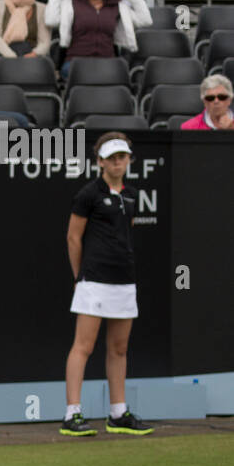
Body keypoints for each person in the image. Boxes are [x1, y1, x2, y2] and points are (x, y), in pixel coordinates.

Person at [61, 132, 153, 436]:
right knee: (83, 346)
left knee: (120, 348)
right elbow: (74, 237)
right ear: (100, 162)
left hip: (124, 279)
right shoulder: (88, 194)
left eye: (122, 157)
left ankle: (117, 412)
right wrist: (79, 276)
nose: (118, 162)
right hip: (94, 279)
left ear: (128, 160)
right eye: (112, 158)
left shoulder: (132, 194)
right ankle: (72, 413)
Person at [46, 0, 150, 78]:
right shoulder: (71, 2)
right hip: (75, 63)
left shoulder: (118, 6)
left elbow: (145, 19)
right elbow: (51, 19)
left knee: (115, 73)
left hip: (108, 62)